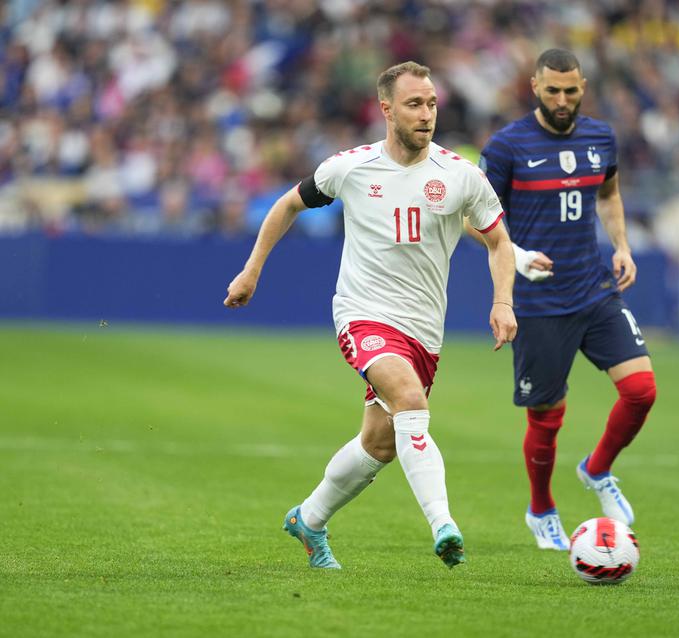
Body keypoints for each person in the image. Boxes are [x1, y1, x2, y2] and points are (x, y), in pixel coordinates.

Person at [224, 61, 517, 569]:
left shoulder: (461, 176)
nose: (427, 114)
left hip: (424, 331)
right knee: (408, 398)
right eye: (414, 104)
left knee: (379, 443)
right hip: (363, 314)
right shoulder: (351, 167)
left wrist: (503, 300)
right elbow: (286, 205)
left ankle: (309, 519)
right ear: (387, 109)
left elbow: (498, 242)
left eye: (431, 104)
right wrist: (251, 272)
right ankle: (443, 525)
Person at [470, 49, 657, 551]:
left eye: (570, 90)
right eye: (552, 90)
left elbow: (609, 194)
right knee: (547, 419)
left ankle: (597, 470)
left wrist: (621, 245)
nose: (561, 99)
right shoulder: (508, 146)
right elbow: (473, 215)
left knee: (641, 390)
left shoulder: (601, 136)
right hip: (538, 302)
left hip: (594, 289)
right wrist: (519, 251)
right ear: (534, 86)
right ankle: (541, 509)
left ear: (583, 87)